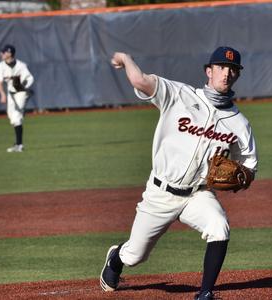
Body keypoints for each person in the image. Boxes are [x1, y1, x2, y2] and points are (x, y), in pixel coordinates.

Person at [100, 46, 258, 300]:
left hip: (198, 195)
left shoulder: (239, 123)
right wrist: (126, 58)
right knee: (135, 255)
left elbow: (249, 165)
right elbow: (140, 80)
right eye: (221, 67)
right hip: (160, 193)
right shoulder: (178, 94)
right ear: (209, 71)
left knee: (219, 226)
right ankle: (117, 258)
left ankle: (205, 294)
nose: (226, 73)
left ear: (237, 75)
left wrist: (243, 177)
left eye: (233, 69)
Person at [0, 44, 34, 153]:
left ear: (10, 53)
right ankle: (18, 144)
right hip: (10, 91)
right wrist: (2, 94)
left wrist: (25, 87)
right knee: (12, 118)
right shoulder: (0, 66)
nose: (1, 54)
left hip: (20, 90)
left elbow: (30, 78)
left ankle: (19, 145)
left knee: (16, 117)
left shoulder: (21, 65)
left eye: (4, 52)